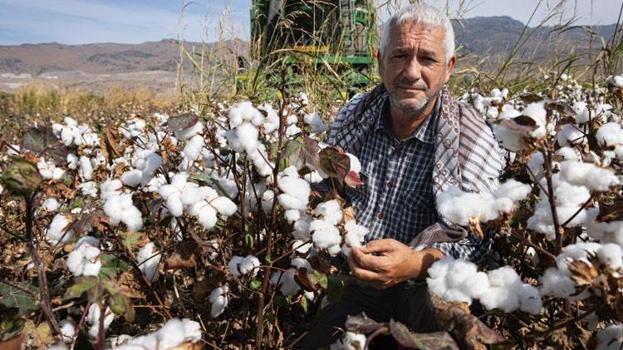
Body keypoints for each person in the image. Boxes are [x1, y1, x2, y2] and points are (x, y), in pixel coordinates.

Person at [301, 3, 505, 349]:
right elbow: (330, 187)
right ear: (379, 60)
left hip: (424, 288)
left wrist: (414, 264)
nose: (411, 72)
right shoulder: (356, 114)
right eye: (399, 56)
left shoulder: (472, 139)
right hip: (358, 283)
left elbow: (476, 241)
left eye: (427, 59)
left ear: (449, 67)